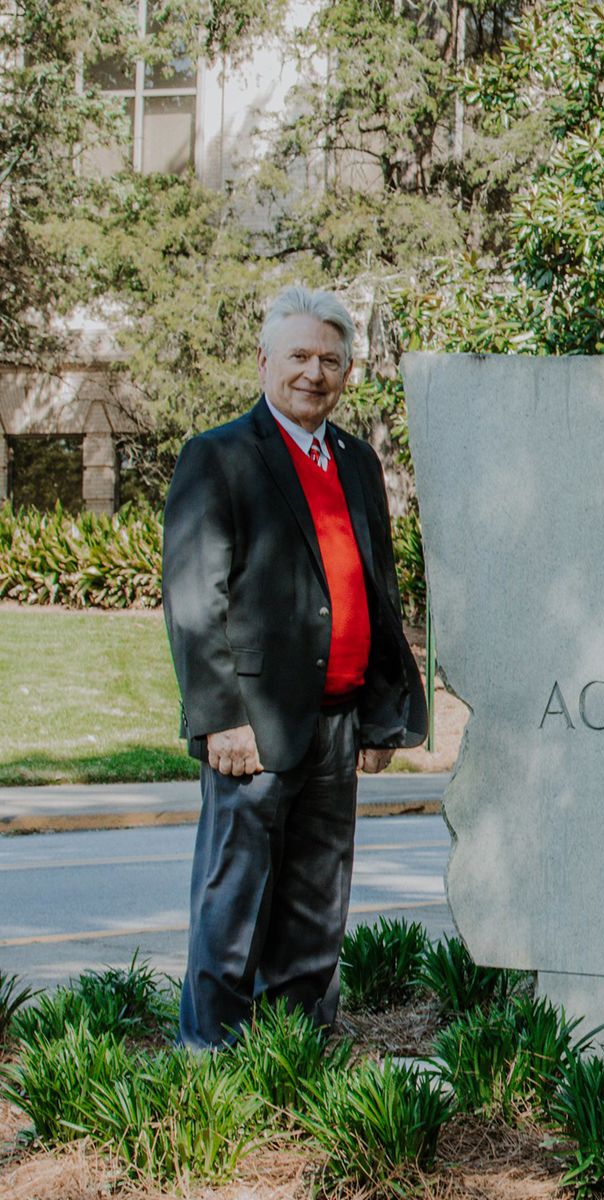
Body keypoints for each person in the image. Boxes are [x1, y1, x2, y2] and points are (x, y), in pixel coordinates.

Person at [162, 284, 426, 1048]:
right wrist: (221, 717)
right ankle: (210, 1059)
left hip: (338, 722)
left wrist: (382, 716)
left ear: (347, 371)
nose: (315, 372)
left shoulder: (357, 460)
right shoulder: (219, 457)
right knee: (235, 900)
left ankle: (295, 1052)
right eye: (300, 356)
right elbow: (193, 600)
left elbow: (376, 592)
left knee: (317, 901)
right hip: (255, 725)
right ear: (264, 362)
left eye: (330, 360)